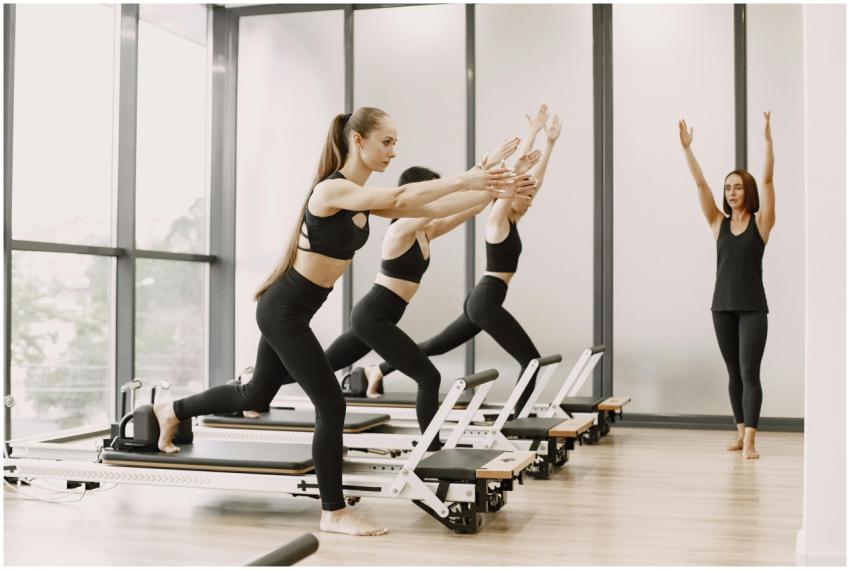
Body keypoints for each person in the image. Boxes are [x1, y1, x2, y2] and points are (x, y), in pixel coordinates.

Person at [153, 106, 518, 536]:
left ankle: (171, 410)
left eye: (395, 144)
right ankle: (334, 512)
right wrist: (471, 176)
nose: (393, 152)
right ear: (357, 141)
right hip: (283, 309)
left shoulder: (361, 200)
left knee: (257, 391)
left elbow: (429, 205)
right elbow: (403, 199)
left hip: (295, 309)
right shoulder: (331, 191)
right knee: (331, 403)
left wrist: (495, 185)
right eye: (386, 142)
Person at [365, 104, 562, 417]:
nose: (529, 196)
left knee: (437, 344)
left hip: (482, 300)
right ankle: (516, 423)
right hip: (485, 301)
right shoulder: (499, 218)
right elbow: (511, 181)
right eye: (523, 193)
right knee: (531, 362)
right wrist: (529, 141)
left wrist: (548, 143)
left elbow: (530, 180)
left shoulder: (510, 218)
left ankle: (379, 369)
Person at [678, 112, 776, 460]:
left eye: (737, 187)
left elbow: (767, 180)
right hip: (722, 306)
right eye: (728, 187)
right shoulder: (717, 223)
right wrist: (688, 150)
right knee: (733, 373)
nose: (731, 192)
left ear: (746, 191)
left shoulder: (761, 223)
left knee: (750, 372)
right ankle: (739, 434)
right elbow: (701, 186)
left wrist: (767, 141)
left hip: (752, 308)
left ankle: (751, 441)